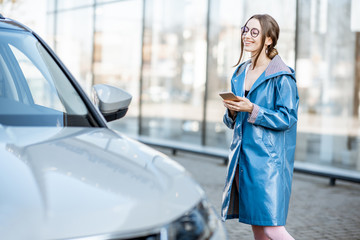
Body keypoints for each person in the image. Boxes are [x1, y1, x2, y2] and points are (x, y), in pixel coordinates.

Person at [221, 14, 299, 240]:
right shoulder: (239, 73)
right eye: (245, 30)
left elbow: (287, 118)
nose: (247, 35)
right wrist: (233, 111)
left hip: (269, 162)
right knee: (257, 226)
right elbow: (232, 122)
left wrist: (252, 109)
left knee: (272, 227)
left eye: (254, 32)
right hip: (242, 160)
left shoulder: (282, 76)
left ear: (268, 40)